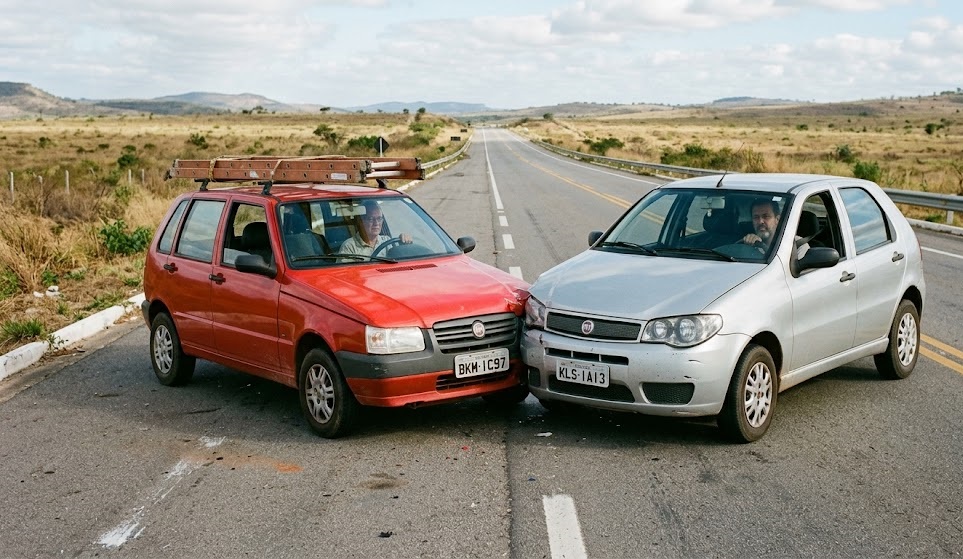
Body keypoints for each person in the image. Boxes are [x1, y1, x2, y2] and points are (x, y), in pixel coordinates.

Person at [339, 200, 411, 258]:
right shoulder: (349, 246)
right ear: (361, 222)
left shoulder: (387, 241)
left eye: (379, 218)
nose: (376, 223)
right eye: (370, 219)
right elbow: (346, 274)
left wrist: (405, 242)